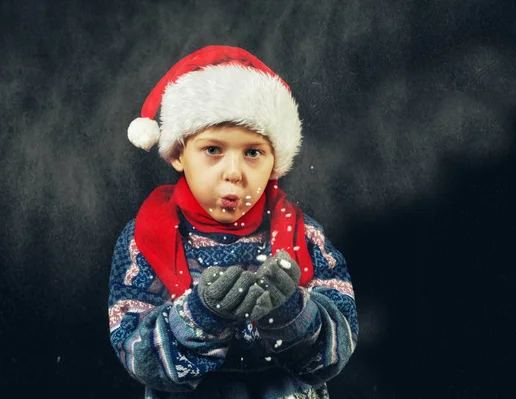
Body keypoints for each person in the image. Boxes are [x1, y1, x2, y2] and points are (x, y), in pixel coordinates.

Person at [108, 45, 358, 399]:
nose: (234, 172)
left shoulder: (306, 236)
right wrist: (202, 314)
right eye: (213, 150)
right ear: (179, 153)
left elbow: (337, 347)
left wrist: (289, 312)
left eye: (253, 153)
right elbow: (134, 351)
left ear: (275, 162)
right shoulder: (144, 239)